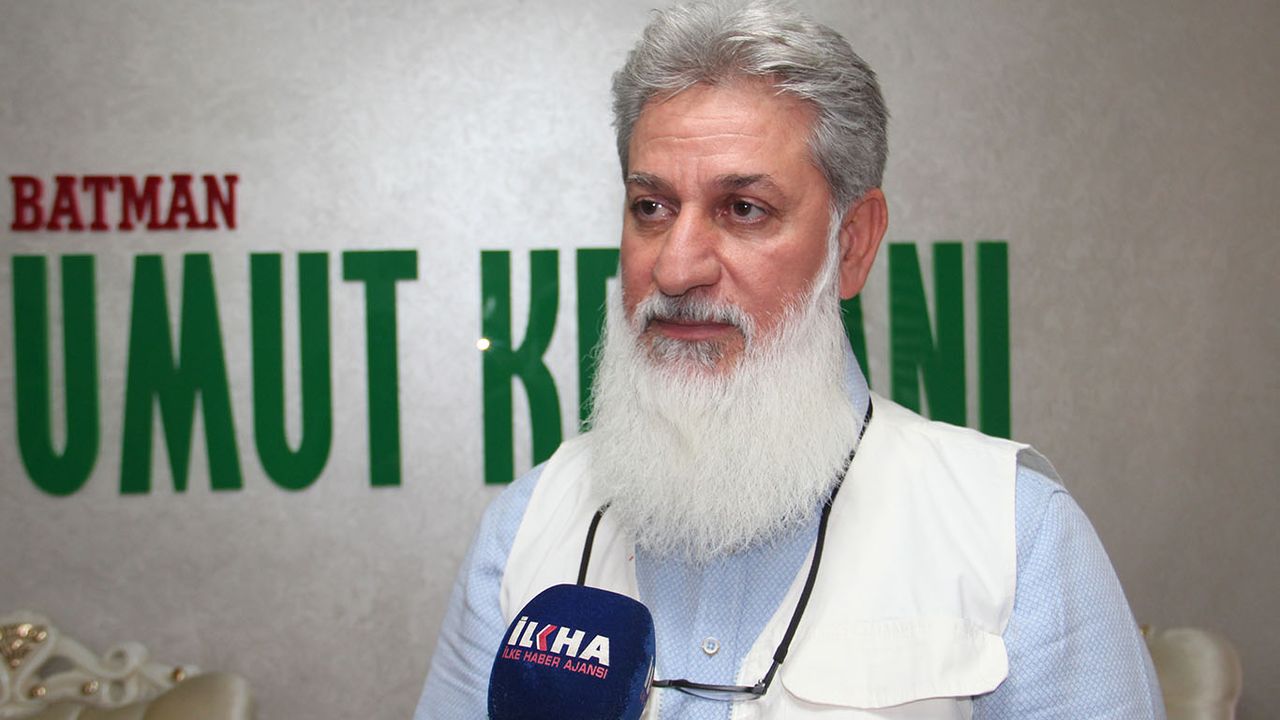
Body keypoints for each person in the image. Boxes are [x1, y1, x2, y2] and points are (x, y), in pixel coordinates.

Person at [415, 0, 1165, 717]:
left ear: (852, 243)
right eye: (652, 208)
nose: (675, 268)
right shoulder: (525, 529)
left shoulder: (1014, 534)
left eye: (744, 209)